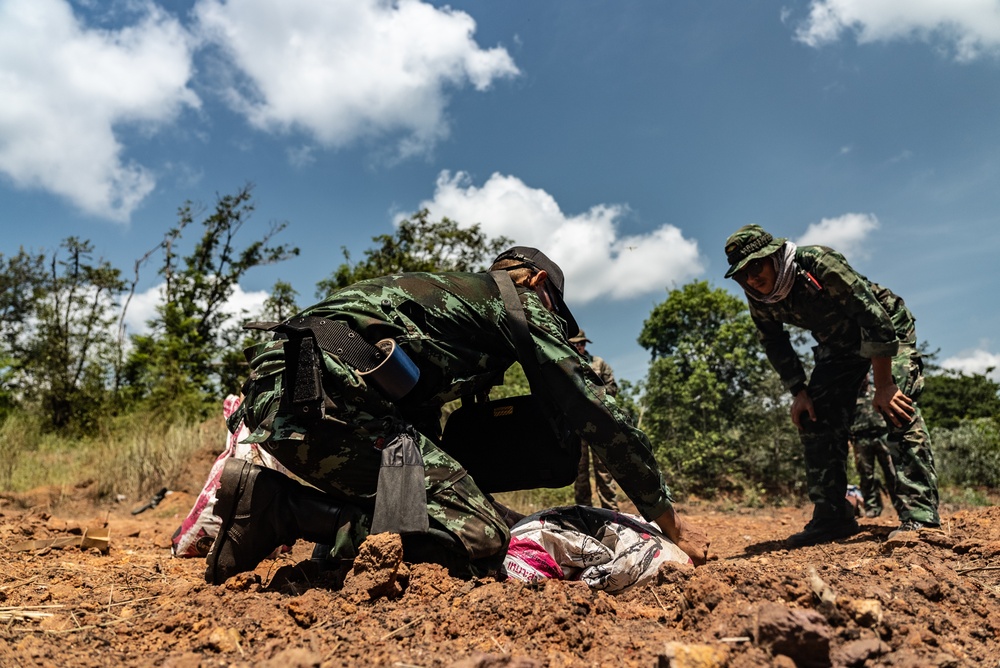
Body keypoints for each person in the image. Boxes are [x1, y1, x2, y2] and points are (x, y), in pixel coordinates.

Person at [205, 246, 710, 584]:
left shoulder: (444, 302)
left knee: (423, 524)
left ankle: (304, 531)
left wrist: (468, 499)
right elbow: (599, 412)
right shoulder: (517, 303)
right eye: (555, 307)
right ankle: (278, 507)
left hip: (292, 391)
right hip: (324, 397)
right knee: (483, 538)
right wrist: (667, 520)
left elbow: (415, 438)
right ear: (537, 282)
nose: (554, 320)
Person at [723, 224, 939, 547]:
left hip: (885, 329)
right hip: (838, 347)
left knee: (896, 405)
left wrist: (883, 384)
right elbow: (774, 342)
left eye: (756, 266)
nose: (752, 278)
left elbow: (873, 317)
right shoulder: (759, 297)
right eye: (743, 274)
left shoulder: (818, 263)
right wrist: (799, 391)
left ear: (774, 256)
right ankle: (833, 517)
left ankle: (920, 516)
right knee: (815, 415)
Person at [569, 330, 621, 511]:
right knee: (579, 473)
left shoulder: (598, 363)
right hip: (577, 425)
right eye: (574, 344)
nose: (578, 347)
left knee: (604, 471)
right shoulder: (566, 365)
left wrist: (593, 395)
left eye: (581, 343)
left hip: (600, 424)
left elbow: (613, 388)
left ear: (585, 344)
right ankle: (585, 514)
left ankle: (611, 513)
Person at [850, 374, 898, 518]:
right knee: (866, 475)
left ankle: (901, 506)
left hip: (883, 435)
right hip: (861, 438)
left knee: (892, 472)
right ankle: (872, 508)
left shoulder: (879, 388)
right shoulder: (851, 394)